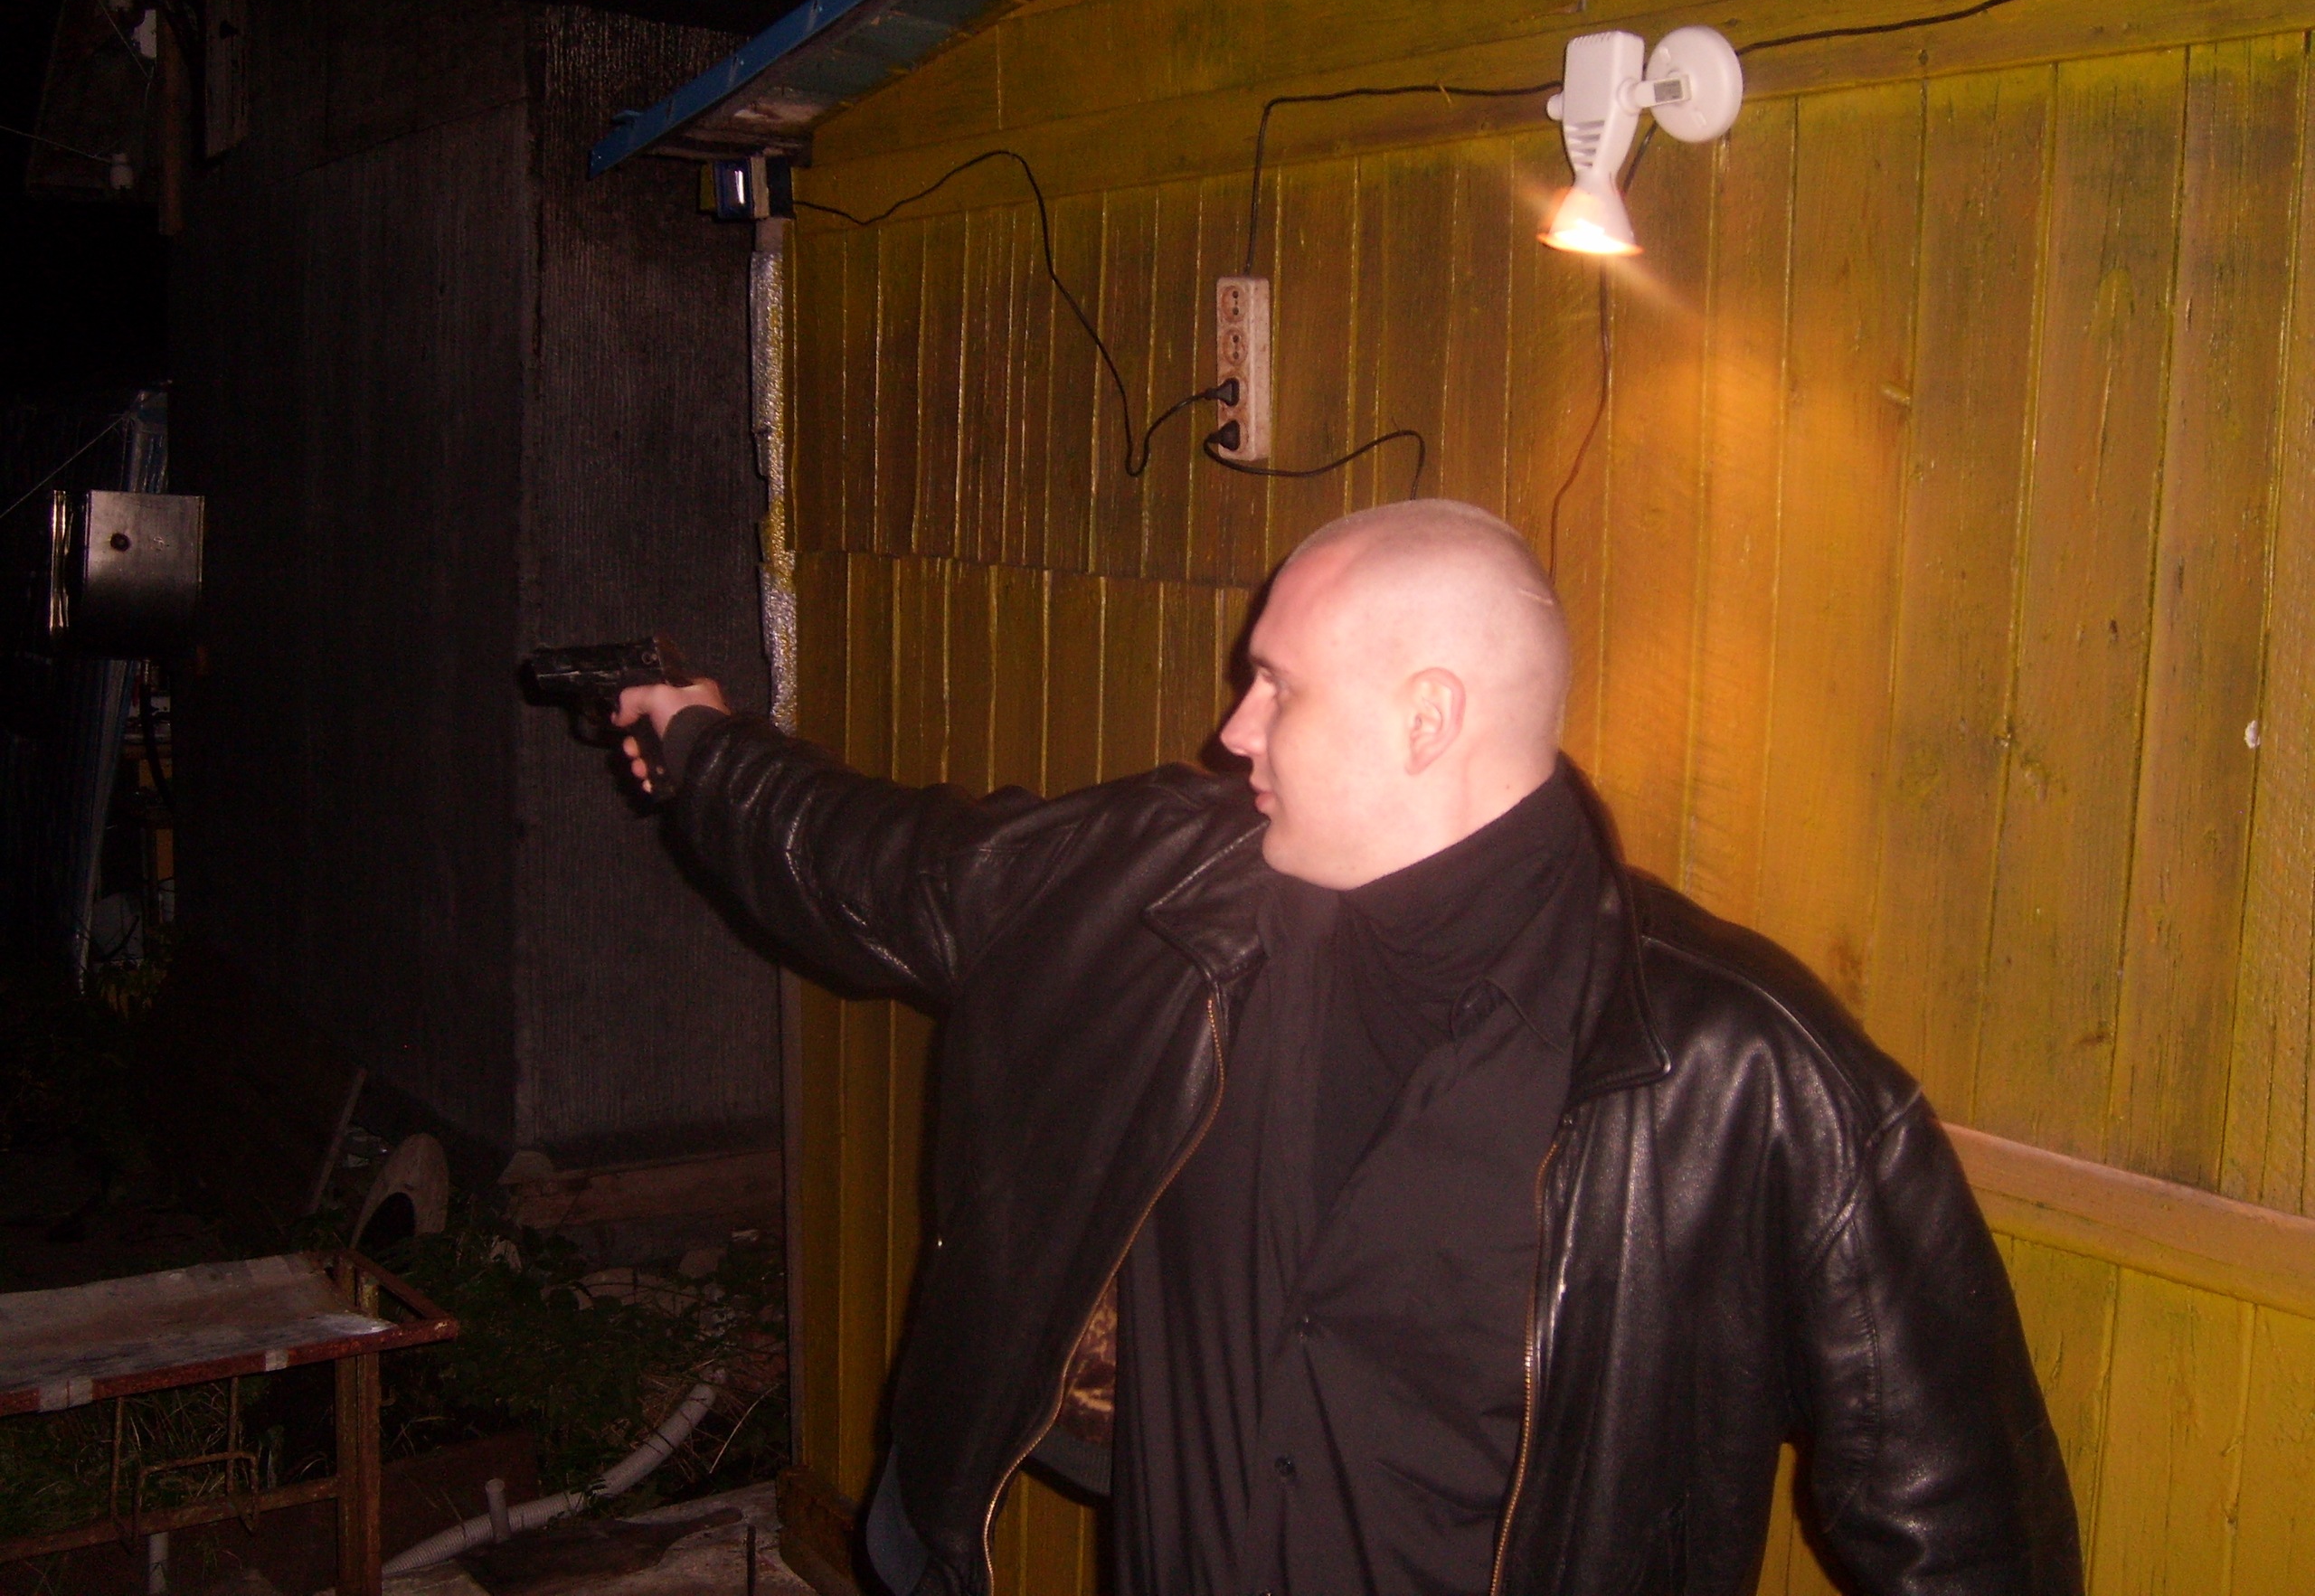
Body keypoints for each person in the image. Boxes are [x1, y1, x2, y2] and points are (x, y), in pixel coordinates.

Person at [613, 500, 2081, 1596]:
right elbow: (887, 868)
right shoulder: (1156, 896)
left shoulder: (1747, 1072)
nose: (1234, 729)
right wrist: (701, 746)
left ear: (1428, 719)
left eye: (1279, 686)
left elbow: (1960, 1534)